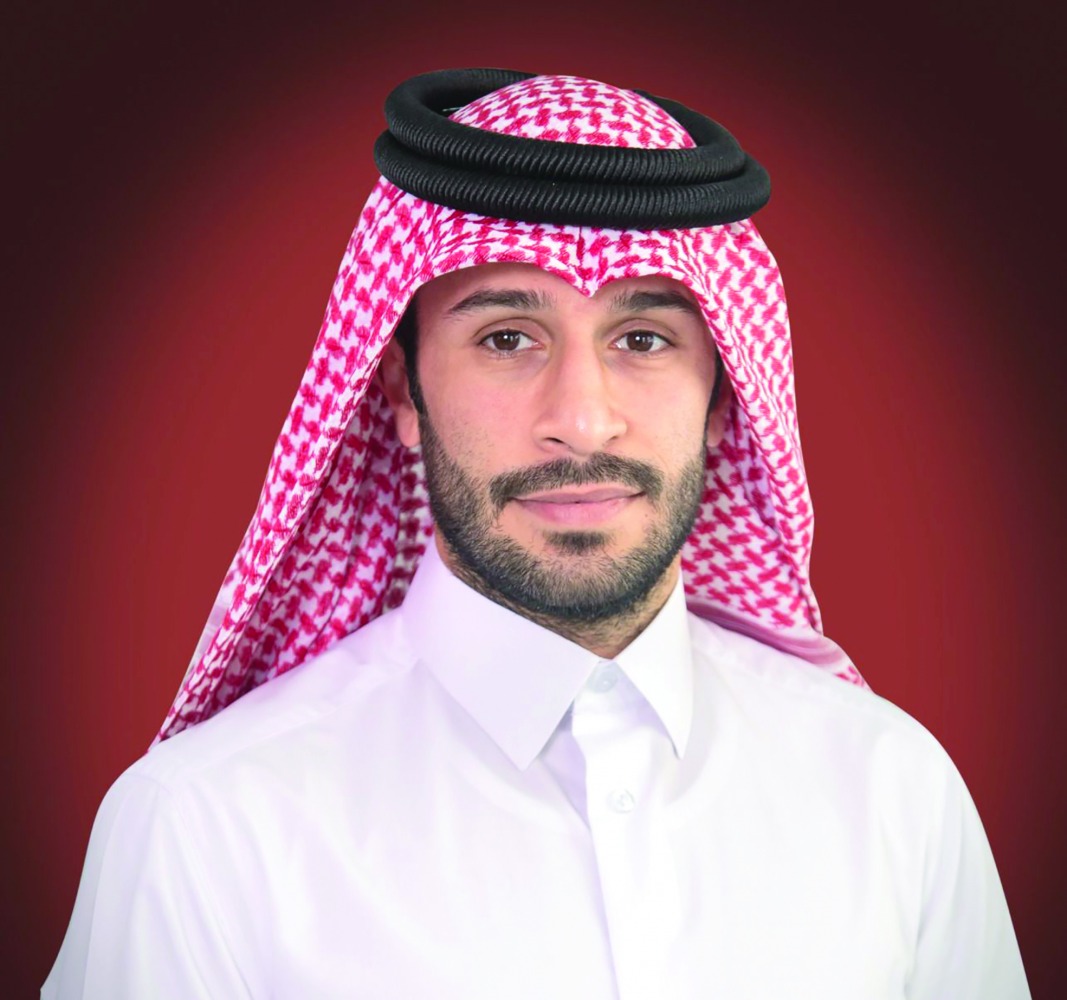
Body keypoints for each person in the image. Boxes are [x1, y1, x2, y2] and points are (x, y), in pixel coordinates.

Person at [44, 69, 1029, 998]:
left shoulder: (892, 791)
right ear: (401, 393)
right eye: (506, 338)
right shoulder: (206, 829)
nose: (583, 421)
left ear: (722, 397)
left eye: (642, 339)